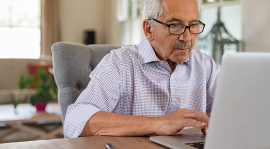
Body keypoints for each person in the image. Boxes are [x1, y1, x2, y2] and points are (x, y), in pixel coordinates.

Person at [64, 0, 220, 138]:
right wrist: (159, 124)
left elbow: (239, 107)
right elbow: (75, 120)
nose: (187, 38)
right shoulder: (119, 63)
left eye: (192, 25)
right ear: (148, 29)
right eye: (174, 25)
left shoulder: (205, 66)